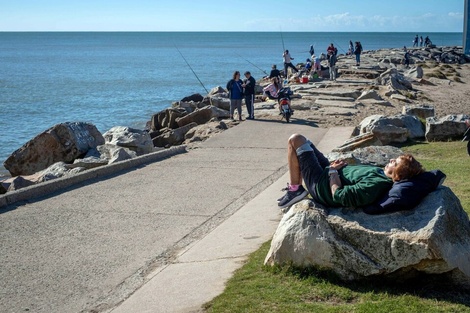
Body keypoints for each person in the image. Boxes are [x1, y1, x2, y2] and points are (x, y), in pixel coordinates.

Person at [277, 133, 427, 210]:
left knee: (295, 140)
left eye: (396, 163)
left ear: (399, 175)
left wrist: (333, 173)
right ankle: (295, 188)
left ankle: (295, 189)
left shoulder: (377, 183)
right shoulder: (379, 172)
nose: (392, 160)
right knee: (306, 141)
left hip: (321, 187)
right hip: (328, 172)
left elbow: (341, 196)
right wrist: (337, 168)